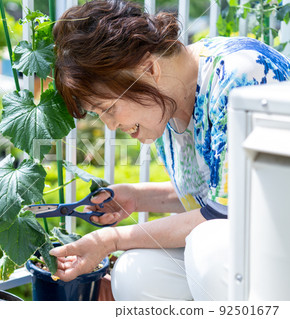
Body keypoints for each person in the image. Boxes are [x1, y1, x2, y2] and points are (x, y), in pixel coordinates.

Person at [49, 0, 290, 300]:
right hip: (249, 241)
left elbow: (224, 214)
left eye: (109, 108)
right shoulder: (164, 103)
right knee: (135, 273)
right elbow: (221, 193)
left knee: (208, 246)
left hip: (279, 248)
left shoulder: (240, 76)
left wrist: (112, 238)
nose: (110, 125)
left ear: (149, 69)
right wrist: (138, 197)